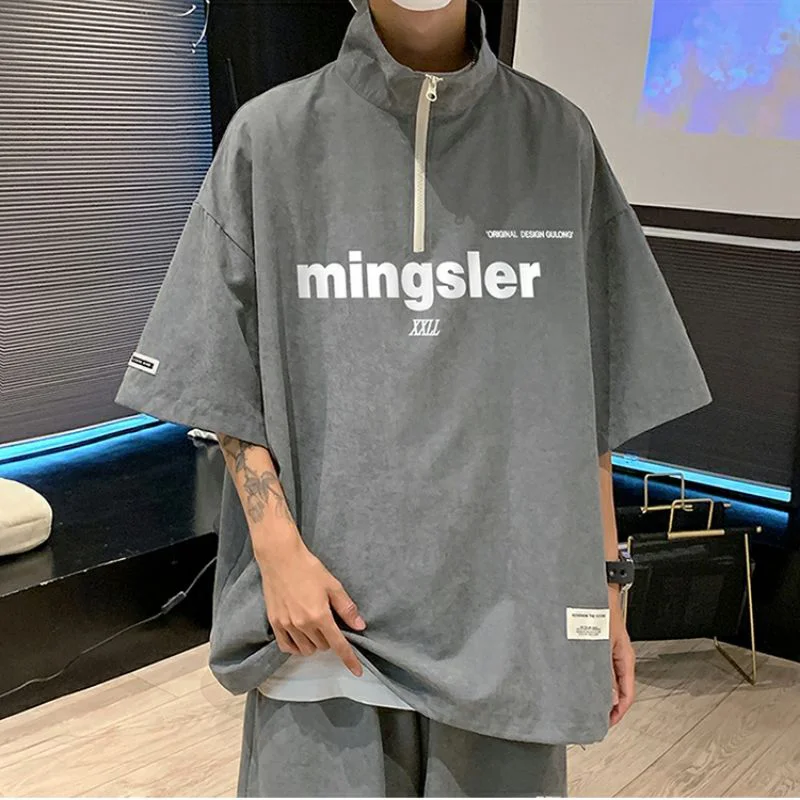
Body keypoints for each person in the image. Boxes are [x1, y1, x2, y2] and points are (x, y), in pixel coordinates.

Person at [114, 0, 714, 795]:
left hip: (510, 622)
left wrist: (607, 584)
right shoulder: (272, 138)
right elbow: (222, 369)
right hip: (328, 624)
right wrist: (278, 553)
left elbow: (588, 394)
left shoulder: (556, 139)